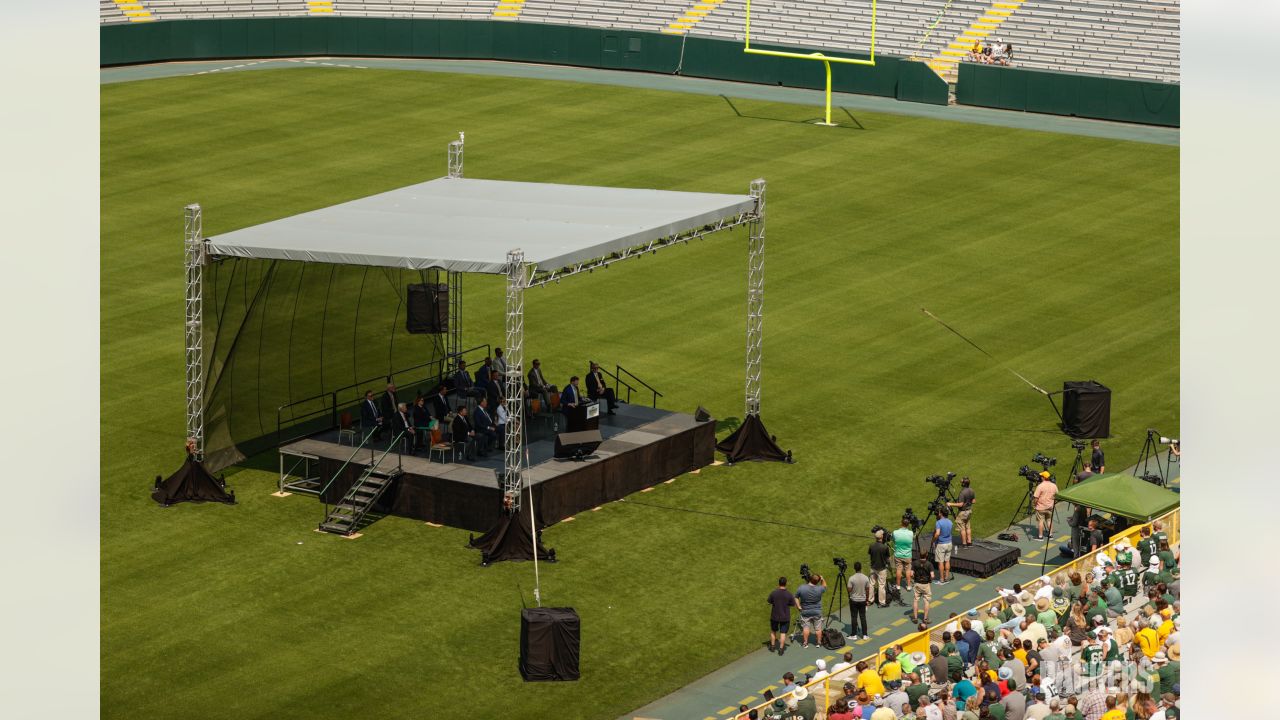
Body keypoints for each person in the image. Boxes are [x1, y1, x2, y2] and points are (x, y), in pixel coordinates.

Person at [767, 576, 799, 655]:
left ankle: (772, 646)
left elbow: (769, 601)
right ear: (786, 583)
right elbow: (792, 604)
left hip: (774, 616)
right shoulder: (789, 594)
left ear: (779, 583)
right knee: (783, 633)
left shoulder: (774, 593)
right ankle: (781, 649)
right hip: (785, 617)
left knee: (773, 631)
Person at [796, 572, 827, 648]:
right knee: (818, 629)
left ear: (810, 579)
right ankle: (819, 643)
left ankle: (805, 643)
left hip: (805, 612)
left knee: (806, 628)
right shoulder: (820, 588)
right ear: (817, 581)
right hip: (817, 612)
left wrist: (798, 606)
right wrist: (822, 579)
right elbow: (825, 586)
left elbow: (796, 597)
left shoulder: (802, 587)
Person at [949, 476, 976, 547]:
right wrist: (968, 502)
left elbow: (960, 504)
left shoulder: (962, 492)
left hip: (962, 512)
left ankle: (964, 544)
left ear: (963, 484)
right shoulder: (971, 490)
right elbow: (973, 501)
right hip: (969, 511)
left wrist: (950, 504)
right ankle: (969, 543)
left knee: (962, 528)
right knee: (968, 527)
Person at [847, 561, 870, 641]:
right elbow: (867, 590)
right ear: (861, 568)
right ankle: (865, 635)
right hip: (863, 600)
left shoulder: (851, 578)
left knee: (854, 617)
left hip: (853, 600)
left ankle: (854, 635)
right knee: (863, 617)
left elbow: (849, 590)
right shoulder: (866, 578)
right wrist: (867, 600)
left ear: (854, 568)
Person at [869, 530, 891, 607]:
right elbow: (888, 558)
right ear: (881, 536)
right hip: (882, 568)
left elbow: (870, 554)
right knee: (881, 585)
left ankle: (870, 600)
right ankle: (881, 602)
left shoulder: (871, 546)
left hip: (873, 567)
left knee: (871, 584)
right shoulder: (885, 547)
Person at [892, 518, 915, 592]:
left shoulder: (895, 532)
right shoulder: (911, 533)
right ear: (908, 525)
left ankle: (898, 586)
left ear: (901, 523)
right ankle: (908, 586)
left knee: (899, 570)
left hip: (898, 555)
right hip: (908, 556)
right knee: (908, 570)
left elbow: (894, 540)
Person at [1033, 472, 1057, 540]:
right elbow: (1056, 495)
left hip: (1041, 507)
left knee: (1041, 521)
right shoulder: (1054, 485)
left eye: (1041, 476)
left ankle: (1040, 536)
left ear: (1043, 477)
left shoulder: (1040, 486)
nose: (1040, 477)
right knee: (1049, 520)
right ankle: (1050, 535)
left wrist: (1034, 505)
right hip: (1050, 507)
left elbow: (1036, 498)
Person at [911, 554, 934, 624]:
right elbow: (932, 575)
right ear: (926, 555)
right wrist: (930, 580)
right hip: (926, 584)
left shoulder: (915, 563)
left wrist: (914, 578)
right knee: (926, 601)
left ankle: (915, 618)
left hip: (917, 583)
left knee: (916, 600)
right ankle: (925, 619)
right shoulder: (929, 564)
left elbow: (911, 574)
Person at [933, 509, 954, 584]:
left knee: (941, 562)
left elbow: (937, 533)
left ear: (941, 514)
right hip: (949, 543)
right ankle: (947, 577)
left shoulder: (938, 522)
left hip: (941, 544)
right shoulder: (950, 522)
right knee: (947, 561)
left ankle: (941, 579)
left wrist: (933, 540)